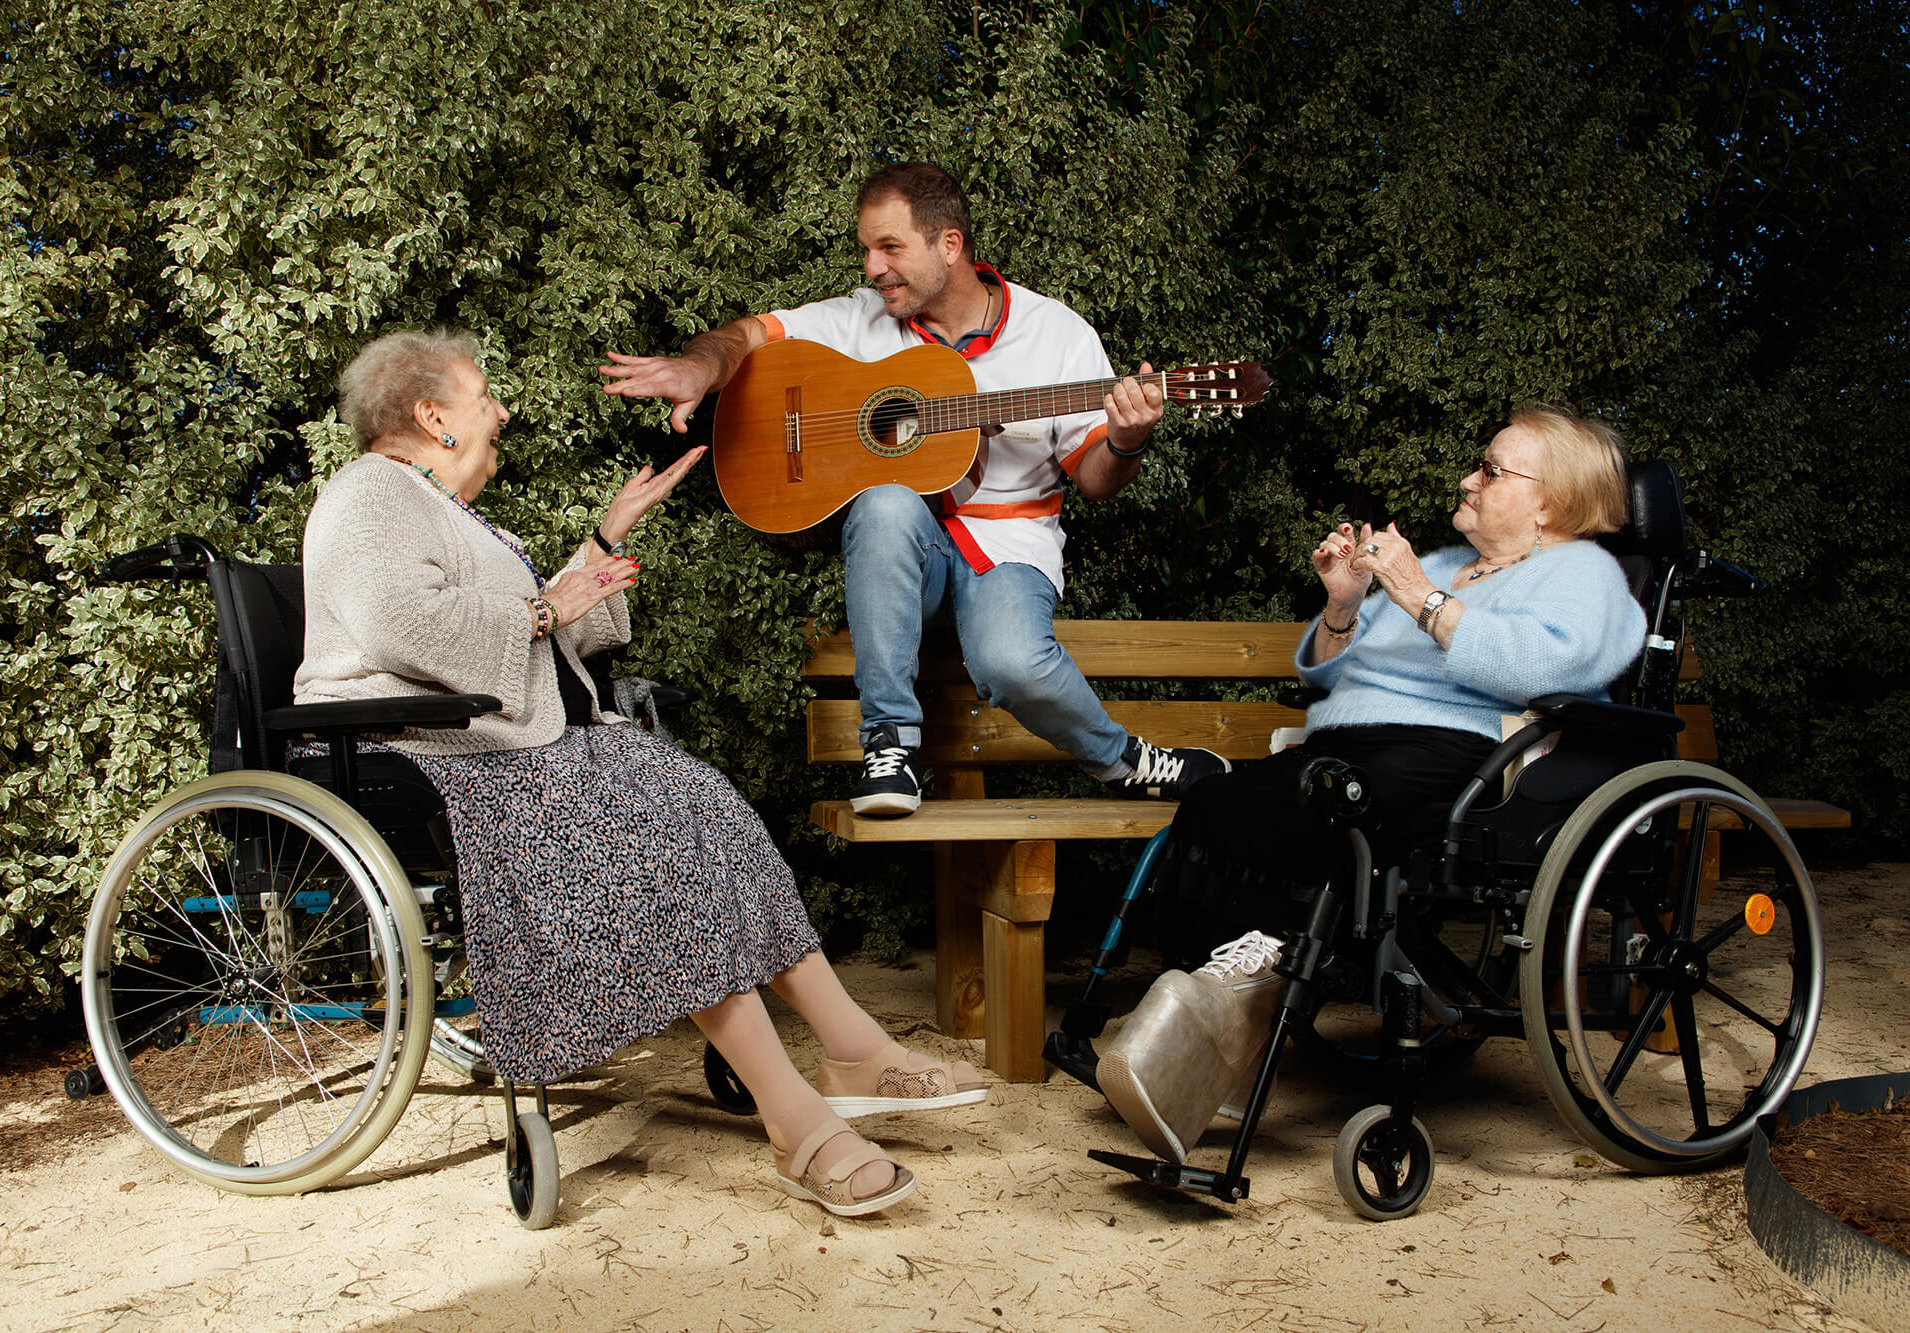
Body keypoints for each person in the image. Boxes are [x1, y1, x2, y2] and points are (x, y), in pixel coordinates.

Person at [292, 328, 986, 1218]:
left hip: (497, 741)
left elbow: (527, 637)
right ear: (431, 416)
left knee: (702, 805)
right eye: (481, 395)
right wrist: (548, 602)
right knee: (644, 839)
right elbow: (405, 626)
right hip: (416, 753)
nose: (500, 411)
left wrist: (598, 545)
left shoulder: (445, 513)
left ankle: (853, 1043)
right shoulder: (368, 494)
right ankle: (795, 1120)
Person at [1096, 403, 1650, 1164]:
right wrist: (1343, 604)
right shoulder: (1455, 566)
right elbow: (1336, 669)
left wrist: (1420, 594)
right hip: (1352, 739)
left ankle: (1234, 1023)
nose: (1470, 478)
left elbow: (1552, 667)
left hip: (1459, 758)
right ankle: (1213, 1016)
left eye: (1491, 469)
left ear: (1551, 501)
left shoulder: (1580, 572)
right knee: (1216, 803)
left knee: (1328, 810)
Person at [600, 162, 1230, 816]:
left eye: (890, 247)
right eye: (867, 249)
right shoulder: (861, 321)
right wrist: (698, 367)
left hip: (1008, 546)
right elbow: (750, 334)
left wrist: (1126, 439)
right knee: (888, 501)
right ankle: (890, 747)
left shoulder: (1056, 334)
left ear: (948, 246)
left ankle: (1124, 761)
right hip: (904, 552)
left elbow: (1096, 480)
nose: (872, 267)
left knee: (1012, 659)